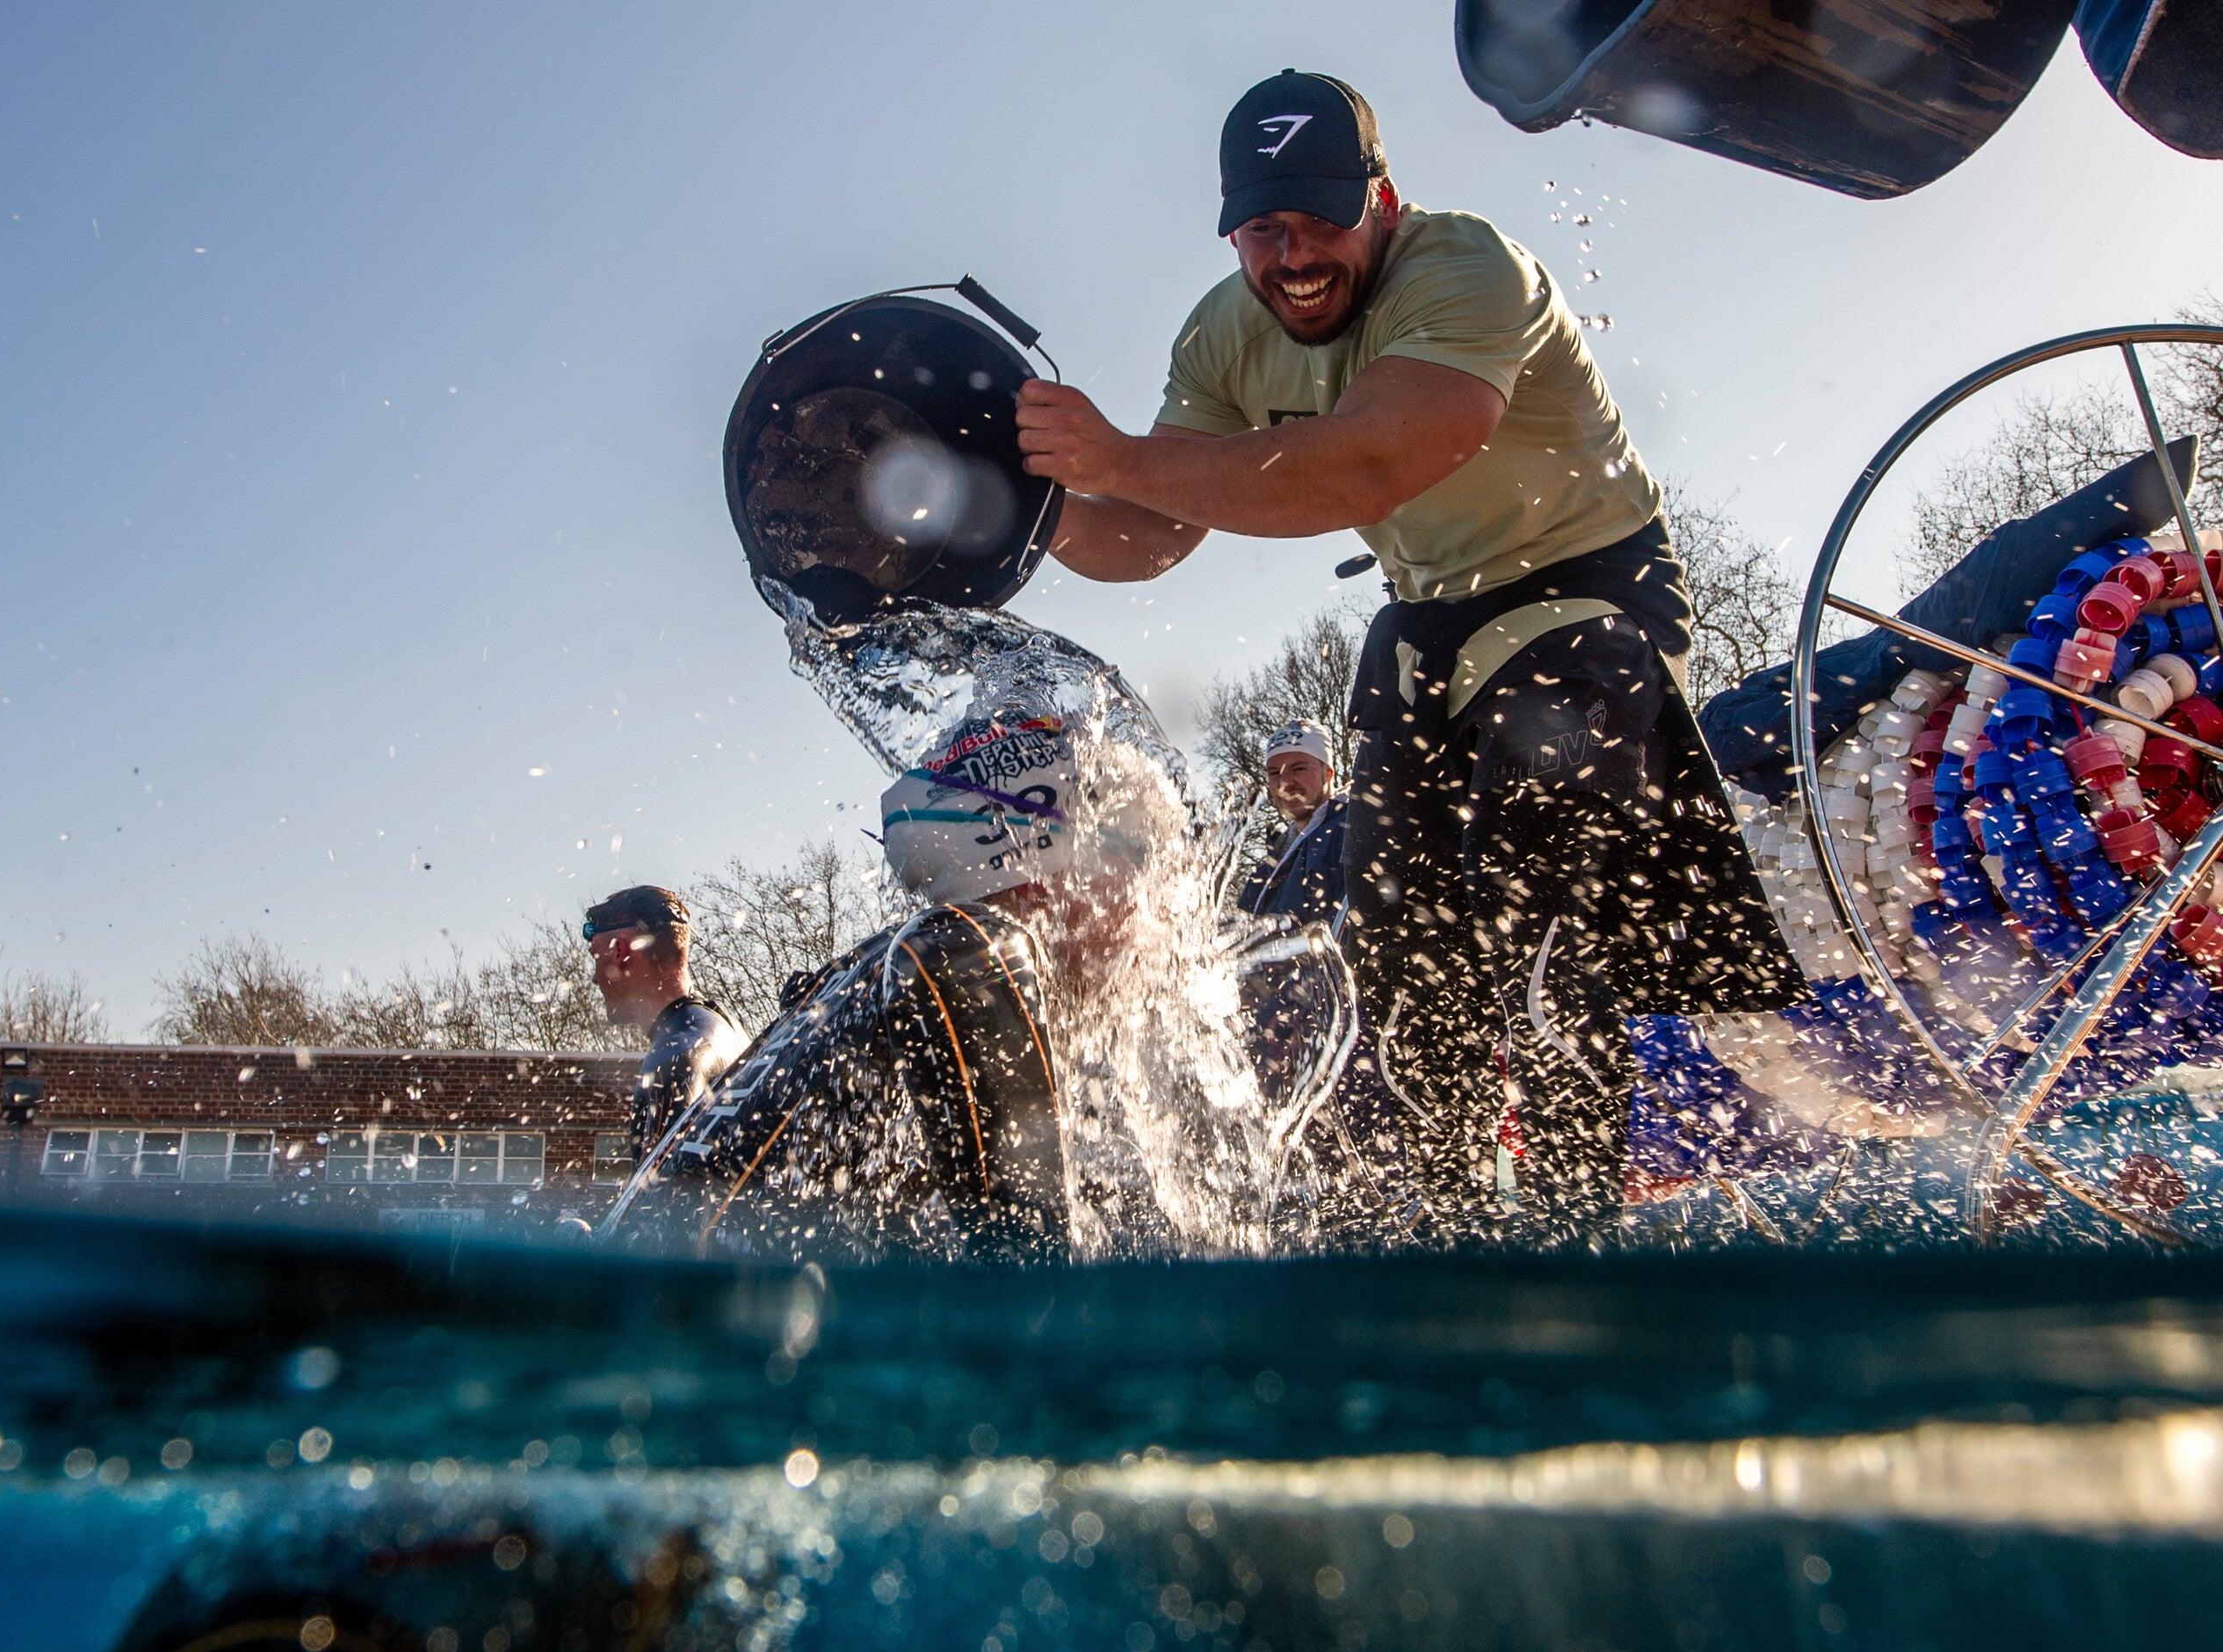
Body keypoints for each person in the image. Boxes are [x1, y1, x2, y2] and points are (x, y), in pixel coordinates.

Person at [1012, 70, 1801, 1224]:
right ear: (1231, 230)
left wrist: (1121, 456)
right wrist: (1017, 512)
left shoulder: (1470, 266)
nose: (1295, 256)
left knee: (1538, 850)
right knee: (1400, 928)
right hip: (1434, 607)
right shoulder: (1223, 335)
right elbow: (1147, 533)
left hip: (1589, 581)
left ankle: (1574, 1217)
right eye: (1263, 229)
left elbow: (1373, 464)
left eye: (1323, 218)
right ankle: (1442, 1221)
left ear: (1384, 197)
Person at [596, 715, 1185, 1260]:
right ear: (1043, 877)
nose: (1158, 912)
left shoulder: (851, 990)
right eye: (1137, 862)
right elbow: (944, 953)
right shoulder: (969, 948)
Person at [583, 886, 748, 1154]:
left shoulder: (674, 1059)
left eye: (596, 958)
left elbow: (661, 1193)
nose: (594, 978)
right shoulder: (725, 1030)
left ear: (620, 952)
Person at [1237, 719, 1347, 924]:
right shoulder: (1267, 870)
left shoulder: (1348, 835)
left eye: (1298, 769)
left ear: (1328, 773)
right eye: (1274, 773)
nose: (1284, 783)